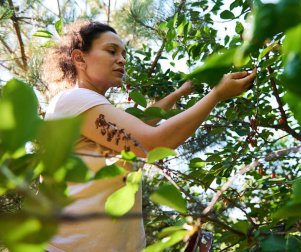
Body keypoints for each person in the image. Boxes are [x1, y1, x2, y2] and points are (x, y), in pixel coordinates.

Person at [43, 20, 256, 252]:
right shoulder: (74, 100)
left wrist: (179, 93)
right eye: (111, 51)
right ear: (79, 58)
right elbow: (152, 143)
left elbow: (140, 125)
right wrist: (216, 95)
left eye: (124, 54)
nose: (122, 60)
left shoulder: (87, 107)